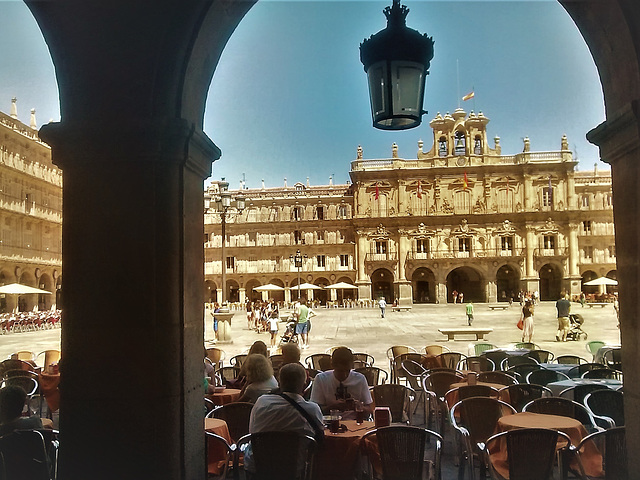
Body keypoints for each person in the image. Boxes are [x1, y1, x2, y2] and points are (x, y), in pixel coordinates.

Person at [244, 363, 323, 475]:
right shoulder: (312, 409)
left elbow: (252, 431)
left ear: (279, 382)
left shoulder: (261, 402)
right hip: (294, 471)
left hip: (258, 468)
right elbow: (319, 438)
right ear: (304, 384)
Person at [310, 347, 373, 419]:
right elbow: (314, 411)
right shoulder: (321, 379)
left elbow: (370, 409)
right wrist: (332, 407)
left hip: (355, 422)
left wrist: (359, 407)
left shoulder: (360, 379)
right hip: (330, 423)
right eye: (340, 371)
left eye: (347, 371)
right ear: (332, 366)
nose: (345, 374)